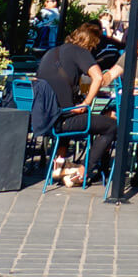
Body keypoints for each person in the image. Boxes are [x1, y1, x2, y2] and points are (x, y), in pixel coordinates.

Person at [36, 21, 117, 187]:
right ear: (91, 42)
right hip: (63, 120)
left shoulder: (53, 51)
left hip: (46, 118)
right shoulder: (81, 51)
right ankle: (82, 172)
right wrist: (87, 102)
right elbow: (98, 77)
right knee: (112, 126)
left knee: (73, 111)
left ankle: (59, 163)